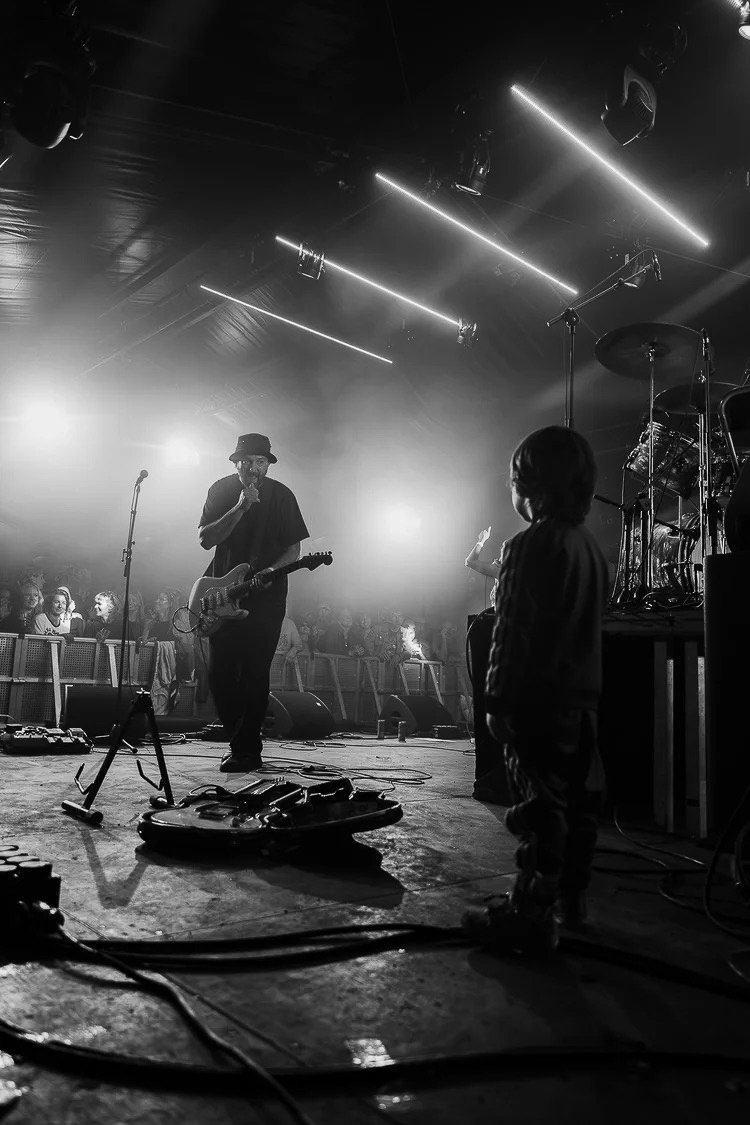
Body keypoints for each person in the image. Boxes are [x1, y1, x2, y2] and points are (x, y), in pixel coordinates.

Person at [462, 426, 608, 955]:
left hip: (537, 707)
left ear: (529, 487)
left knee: (540, 809)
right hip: (583, 703)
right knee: (579, 807)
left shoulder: (525, 546)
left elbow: (512, 629)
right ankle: (574, 902)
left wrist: (497, 699)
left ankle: (529, 911)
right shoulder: (592, 551)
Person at [198, 432, 308, 771]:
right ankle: (237, 740)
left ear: (268, 465)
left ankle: (248, 749)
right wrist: (240, 507)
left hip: (267, 595)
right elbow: (205, 539)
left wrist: (272, 571)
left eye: (262, 462)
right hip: (223, 593)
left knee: (256, 673)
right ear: (236, 463)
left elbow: (294, 548)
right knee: (220, 674)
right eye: (247, 462)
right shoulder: (220, 490)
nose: (255, 468)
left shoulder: (283, 496)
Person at [465, 527, 508, 804]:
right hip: (492, 628)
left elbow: (471, 563)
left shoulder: (508, 573)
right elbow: (470, 562)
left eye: (501, 555)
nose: (497, 560)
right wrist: (479, 543)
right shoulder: (500, 571)